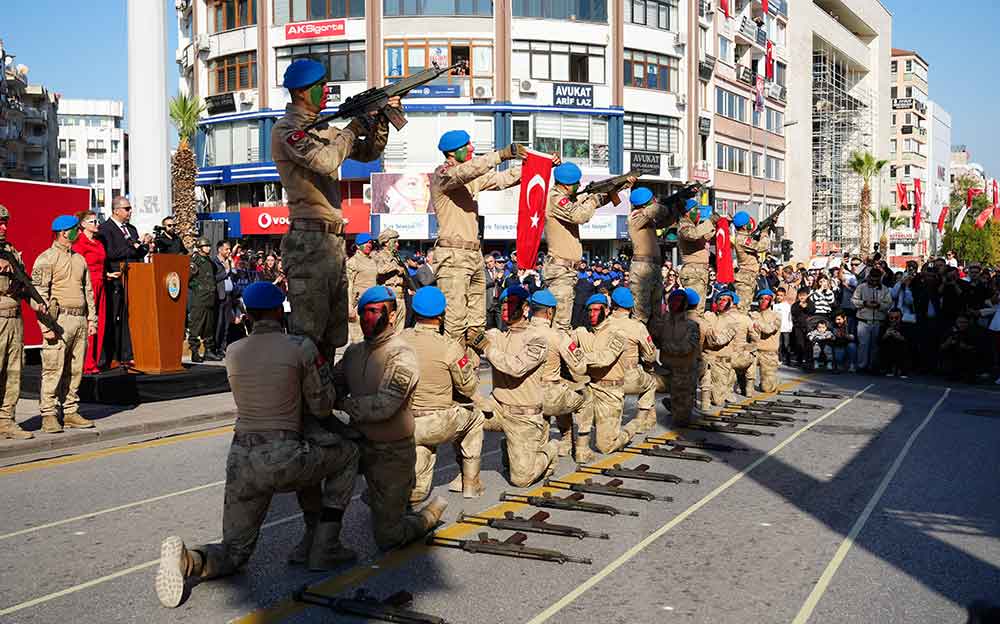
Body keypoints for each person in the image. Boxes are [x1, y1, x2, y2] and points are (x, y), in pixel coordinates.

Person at [154, 282, 361, 609]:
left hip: (242, 459)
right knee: (346, 454)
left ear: (248, 315)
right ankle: (326, 543)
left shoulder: (233, 351)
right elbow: (321, 406)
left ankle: (190, 560)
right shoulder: (300, 347)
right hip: (284, 454)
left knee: (236, 551)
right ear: (281, 311)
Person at [273, 59, 394, 362]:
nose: (326, 91)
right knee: (309, 336)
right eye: (319, 87)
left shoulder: (325, 129)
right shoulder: (287, 130)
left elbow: (368, 153)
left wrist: (380, 119)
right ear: (301, 92)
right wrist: (352, 128)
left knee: (331, 334)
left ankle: (321, 402)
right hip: (308, 241)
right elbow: (326, 160)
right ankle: (306, 407)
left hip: (333, 242)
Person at [336, 285, 447, 550]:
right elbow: (332, 385)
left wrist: (342, 403)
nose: (368, 319)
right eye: (365, 312)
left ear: (393, 316)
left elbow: (385, 405)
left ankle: (427, 517)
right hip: (357, 447)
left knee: (388, 538)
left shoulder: (402, 354)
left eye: (375, 312)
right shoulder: (354, 352)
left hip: (392, 452)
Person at [430, 130, 530, 347]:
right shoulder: (443, 175)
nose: (472, 148)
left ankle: (470, 370)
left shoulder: (469, 179)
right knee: (455, 323)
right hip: (453, 257)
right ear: (451, 152)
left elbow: (501, 179)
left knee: (477, 324)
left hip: (474, 255)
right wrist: (501, 155)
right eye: (467, 146)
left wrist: (535, 166)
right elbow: (464, 172)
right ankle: (452, 370)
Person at [397, 286, 485, 502]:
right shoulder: (450, 346)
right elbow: (468, 387)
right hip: (438, 422)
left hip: (405, 422)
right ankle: (470, 483)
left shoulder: (399, 339)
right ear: (440, 315)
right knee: (476, 419)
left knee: (418, 484)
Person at [479, 286, 558, 484]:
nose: (505, 308)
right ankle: (468, 476)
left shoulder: (537, 340)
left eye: (511, 304)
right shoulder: (497, 335)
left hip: (524, 416)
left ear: (525, 308)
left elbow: (516, 367)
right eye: (503, 304)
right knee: (463, 419)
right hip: (498, 408)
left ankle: (551, 449)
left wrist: (487, 348)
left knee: (521, 479)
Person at [31, 216, 98, 433]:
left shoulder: (80, 259)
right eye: (75, 230)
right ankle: (49, 414)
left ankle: (70, 411)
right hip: (59, 321)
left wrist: (91, 320)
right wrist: (46, 327)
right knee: (53, 369)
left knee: (75, 370)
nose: (78, 232)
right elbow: (38, 296)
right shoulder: (46, 259)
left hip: (79, 320)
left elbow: (88, 291)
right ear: (63, 232)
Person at [543, 162, 611, 331]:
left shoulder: (566, 198)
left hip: (567, 271)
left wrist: (612, 191)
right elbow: (579, 215)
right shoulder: (556, 198)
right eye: (576, 183)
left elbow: (585, 204)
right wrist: (593, 199)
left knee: (564, 320)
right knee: (560, 324)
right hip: (560, 271)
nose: (579, 186)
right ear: (566, 184)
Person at [572, 293, 636, 460]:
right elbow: (565, 350)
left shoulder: (618, 333)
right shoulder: (581, 332)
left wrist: (580, 358)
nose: (592, 314)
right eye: (589, 311)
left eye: (596, 310)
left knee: (605, 446)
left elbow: (605, 359)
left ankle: (631, 429)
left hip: (610, 390)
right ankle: (577, 446)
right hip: (590, 386)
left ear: (607, 310)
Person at [527, 288, 589, 457]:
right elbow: (580, 366)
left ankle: (558, 441)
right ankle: (581, 448)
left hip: (528, 396)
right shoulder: (557, 336)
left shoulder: (521, 332)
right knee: (584, 397)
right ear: (550, 312)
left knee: (563, 389)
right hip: (550, 395)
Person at [96, 196, 147, 367]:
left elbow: (138, 253)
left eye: (130, 208)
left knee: (128, 318)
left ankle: (127, 354)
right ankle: (110, 356)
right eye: (127, 208)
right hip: (115, 280)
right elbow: (111, 253)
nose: (130, 211)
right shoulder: (104, 229)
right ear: (116, 210)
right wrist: (133, 248)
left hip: (133, 279)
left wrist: (144, 246)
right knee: (114, 317)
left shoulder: (131, 229)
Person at [607, 287, 666, 433]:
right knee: (650, 383)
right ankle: (640, 420)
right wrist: (647, 364)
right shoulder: (637, 326)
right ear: (631, 306)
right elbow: (650, 354)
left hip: (604, 377)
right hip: (628, 376)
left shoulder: (603, 324)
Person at [0, 206, 31, 439]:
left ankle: (6, 420)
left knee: (14, 371)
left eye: (5, 223)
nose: (3, 227)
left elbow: (25, 284)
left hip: (14, 318)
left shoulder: (11, 251)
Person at [627, 187, 677, 332]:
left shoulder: (648, 220)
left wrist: (675, 207)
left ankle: (652, 342)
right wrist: (665, 203)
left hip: (653, 266)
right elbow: (656, 210)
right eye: (652, 199)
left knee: (656, 310)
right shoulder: (635, 217)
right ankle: (637, 342)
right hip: (641, 267)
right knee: (641, 312)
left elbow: (667, 220)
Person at [72, 210, 109, 374]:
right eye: (93, 221)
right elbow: (77, 266)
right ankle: (87, 362)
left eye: (97, 221)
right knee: (89, 322)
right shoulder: (79, 242)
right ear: (83, 224)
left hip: (101, 283)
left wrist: (107, 274)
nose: (97, 224)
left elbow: (100, 263)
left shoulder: (99, 243)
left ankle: (94, 359)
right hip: (88, 285)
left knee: (99, 323)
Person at [657, 288, 700, 427]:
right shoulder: (663, 322)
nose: (675, 304)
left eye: (679, 301)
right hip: (666, 370)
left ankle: (682, 406)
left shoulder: (692, 326)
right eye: (672, 301)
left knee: (681, 421)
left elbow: (687, 348)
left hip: (684, 372)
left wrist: (666, 346)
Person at [188, 238, 222, 363]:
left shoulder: (210, 262)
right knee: (196, 326)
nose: (208, 248)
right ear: (200, 247)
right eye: (205, 246)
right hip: (200, 299)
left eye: (209, 245)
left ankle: (209, 351)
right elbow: (188, 278)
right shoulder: (195, 260)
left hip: (210, 298)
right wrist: (198, 288)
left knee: (209, 326)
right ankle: (195, 352)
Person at [677, 200, 716, 309]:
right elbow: (692, 235)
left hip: (699, 271)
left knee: (699, 308)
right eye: (696, 210)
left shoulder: (694, 226)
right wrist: (709, 222)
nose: (698, 213)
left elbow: (705, 236)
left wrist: (716, 224)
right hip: (693, 271)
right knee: (694, 309)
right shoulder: (684, 225)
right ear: (687, 212)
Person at [852, 268, 892, 373]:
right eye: (872, 279)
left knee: (875, 345)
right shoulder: (861, 287)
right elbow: (854, 300)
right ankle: (862, 366)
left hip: (878, 320)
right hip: (864, 320)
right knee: (863, 345)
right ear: (869, 277)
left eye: (876, 280)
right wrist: (864, 303)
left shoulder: (884, 289)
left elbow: (888, 304)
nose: (874, 282)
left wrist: (879, 305)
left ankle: (873, 366)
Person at [731, 211, 768, 310]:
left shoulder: (745, 237)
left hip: (749, 278)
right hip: (745, 279)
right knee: (741, 309)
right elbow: (762, 246)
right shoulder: (742, 239)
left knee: (745, 308)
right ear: (744, 226)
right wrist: (764, 232)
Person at [346, 233, 378, 344]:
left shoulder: (372, 261)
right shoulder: (352, 262)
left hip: (373, 306)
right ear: (358, 245)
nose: (369, 245)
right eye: (366, 243)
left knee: (372, 341)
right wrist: (349, 308)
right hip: (358, 306)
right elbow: (348, 286)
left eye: (370, 243)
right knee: (358, 342)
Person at [374, 228, 407, 333]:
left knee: (399, 331)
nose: (397, 244)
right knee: (387, 329)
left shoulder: (397, 257)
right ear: (386, 242)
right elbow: (379, 270)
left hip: (401, 296)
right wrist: (395, 268)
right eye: (395, 241)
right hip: (388, 295)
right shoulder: (379, 256)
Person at [749, 289, 781, 392]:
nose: (763, 301)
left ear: (771, 301)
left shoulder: (777, 315)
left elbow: (769, 330)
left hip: (769, 353)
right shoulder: (753, 314)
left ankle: (773, 380)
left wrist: (756, 322)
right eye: (761, 299)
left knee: (767, 389)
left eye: (766, 299)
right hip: (753, 351)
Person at [212, 241, 237, 356]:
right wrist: (226, 270)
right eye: (226, 249)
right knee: (219, 323)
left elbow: (235, 276)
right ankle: (216, 347)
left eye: (229, 249)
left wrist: (232, 267)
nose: (229, 251)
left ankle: (223, 346)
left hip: (229, 296)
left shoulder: (229, 262)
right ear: (220, 250)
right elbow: (214, 278)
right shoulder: (214, 262)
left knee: (227, 323)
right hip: (220, 296)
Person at [791, 287, 815, 368]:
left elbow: (812, 310)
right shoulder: (795, 304)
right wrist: (800, 306)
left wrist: (806, 307)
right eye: (800, 295)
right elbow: (793, 312)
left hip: (809, 326)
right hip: (798, 327)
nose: (802, 297)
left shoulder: (811, 303)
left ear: (807, 296)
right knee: (799, 343)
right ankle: (799, 360)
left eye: (804, 295)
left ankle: (809, 361)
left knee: (809, 344)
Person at [773, 286, 793, 365]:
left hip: (786, 328)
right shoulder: (774, 306)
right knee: (779, 345)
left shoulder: (787, 306)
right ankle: (779, 359)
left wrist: (790, 327)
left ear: (784, 296)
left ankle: (788, 360)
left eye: (781, 295)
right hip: (778, 328)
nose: (779, 297)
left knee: (786, 345)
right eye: (778, 295)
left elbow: (790, 317)